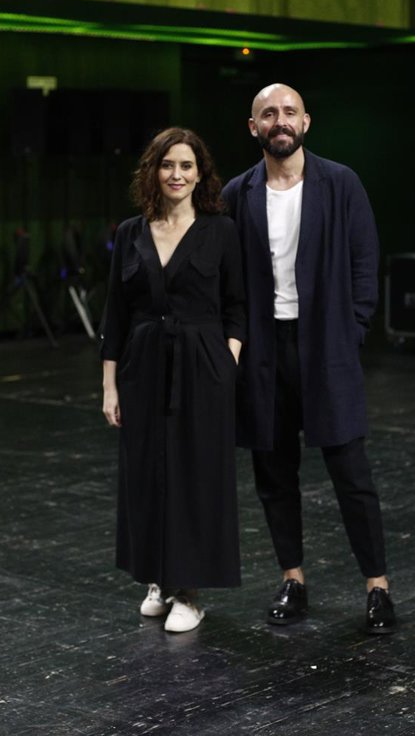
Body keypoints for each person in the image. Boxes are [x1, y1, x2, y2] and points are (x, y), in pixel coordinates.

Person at [222, 83, 397, 635]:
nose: (280, 120)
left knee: (352, 475)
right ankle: (292, 579)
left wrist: (353, 330)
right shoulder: (237, 193)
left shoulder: (340, 183)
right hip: (263, 353)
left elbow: (365, 261)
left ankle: (377, 587)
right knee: (274, 476)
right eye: (269, 113)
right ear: (254, 127)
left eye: (289, 112)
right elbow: (228, 277)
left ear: (306, 122)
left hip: (325, 346)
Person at [100, 127, 246, 633]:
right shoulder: (131, 232)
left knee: (193, 477)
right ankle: (157, 579)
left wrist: (225, 364)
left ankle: (189, 591)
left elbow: (237, 307)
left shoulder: (220, 231)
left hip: (201, 367)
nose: (176, 174)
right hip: (142, 367)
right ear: (153, 171)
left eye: (186, 166)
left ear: (200, 174)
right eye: (167, 165)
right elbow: (115, 314)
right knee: (146, 475)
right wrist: (110, 386)